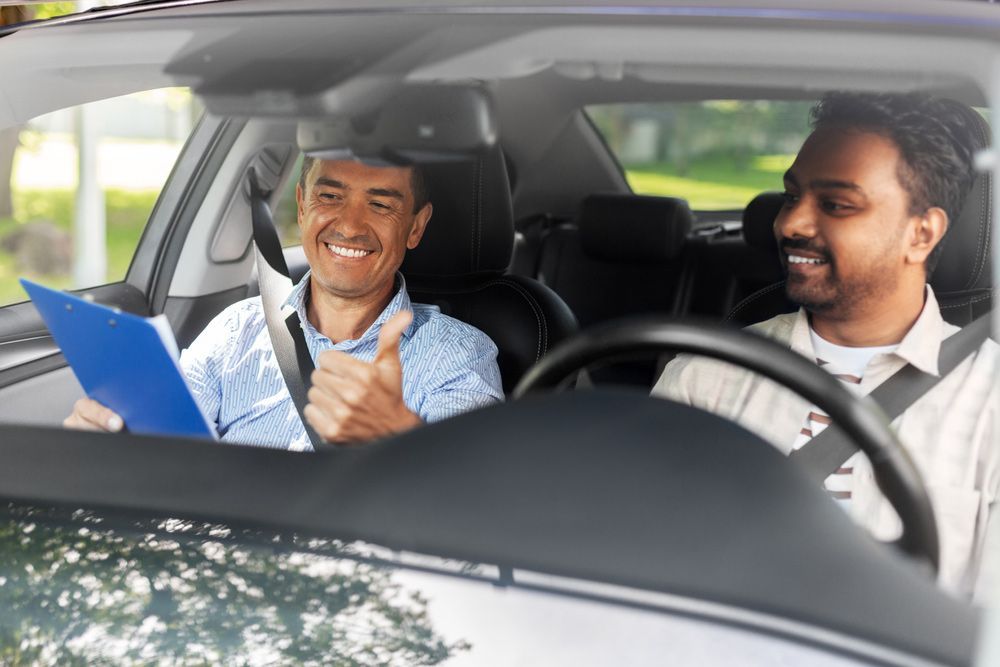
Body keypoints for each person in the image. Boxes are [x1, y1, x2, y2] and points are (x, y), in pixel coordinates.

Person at [653, 91, 998, 598]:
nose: (789, 223)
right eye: (792, 195)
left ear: (921, 234)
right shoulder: (703, 378)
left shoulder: (990, 401)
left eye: (836, 204)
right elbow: (643, 558)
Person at [65, 156, 504, 449]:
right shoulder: (234, 331)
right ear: (301, 205)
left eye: (380, 205)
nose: (350, 227)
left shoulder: (458, 355)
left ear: (415, 227)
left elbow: (474, 508)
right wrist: (111, 442)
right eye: (329, 197)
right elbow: (167, 450)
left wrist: (399, 437)